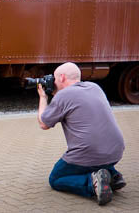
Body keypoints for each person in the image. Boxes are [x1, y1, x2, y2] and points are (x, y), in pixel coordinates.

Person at [36, 62, 126, 205]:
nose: (53, 81)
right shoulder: (95, 87)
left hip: (88, 154)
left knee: (56, 179)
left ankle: (93, 183)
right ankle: (113, 175)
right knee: (96, 157)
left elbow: (44, 123)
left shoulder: (63, 96)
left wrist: (43, 97)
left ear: (62, 77)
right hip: (115, 152)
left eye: (54, 78)